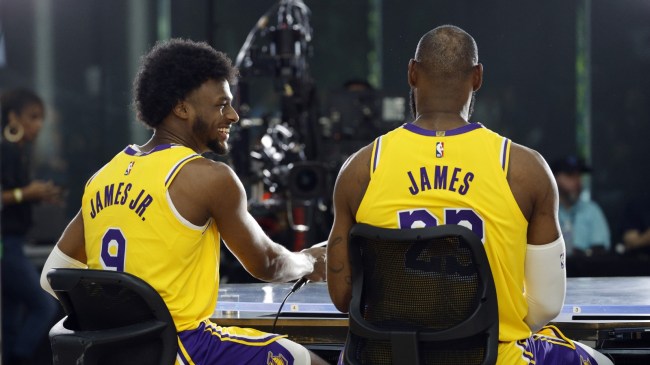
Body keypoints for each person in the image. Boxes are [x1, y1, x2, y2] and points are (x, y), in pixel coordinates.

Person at [326, 25, 613, 365]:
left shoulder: (360, 170)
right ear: (477, 77)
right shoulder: (523, 170)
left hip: (385, 357)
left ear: (412, 73)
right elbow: (547, 305)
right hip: (492, 357)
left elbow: (343, 297)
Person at [39, 39, 328, 365]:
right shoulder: (209, 178)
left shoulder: (103, 177)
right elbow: (268, 264)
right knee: (310, 361)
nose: (233, 115)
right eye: (221, 104)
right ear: (182, 108)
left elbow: (52, 275)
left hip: (114, 354)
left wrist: (119, 330)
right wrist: (309, 261)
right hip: (184, 346)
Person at [1, 88, 62, 365]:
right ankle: (21, 358)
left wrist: (36, 195)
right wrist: (26, 194)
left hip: (13, 242)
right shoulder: (6, 150)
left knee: (12, 316)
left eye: (41, 118)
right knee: (44, 304)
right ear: (13, 117)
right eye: (32, 117)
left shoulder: (18, 151)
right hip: (6, 245)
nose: (38, 125)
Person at [551, 156, 611, 256]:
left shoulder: (592, 210)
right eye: (570, 175)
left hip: (587, 269)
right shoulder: (546, 210)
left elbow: (600, 248)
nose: (577, 181)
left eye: (579, 176)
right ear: (554, 178)